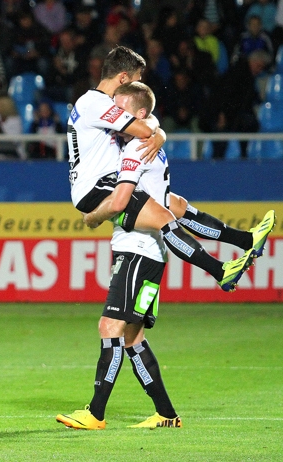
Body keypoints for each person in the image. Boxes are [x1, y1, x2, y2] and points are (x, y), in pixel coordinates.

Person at [57, 82, 277, 430]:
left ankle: (95, 414)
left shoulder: (132, 151)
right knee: (132, 337)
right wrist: (241, 237)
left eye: (122, 105)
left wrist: (91, 216)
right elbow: (178, 206)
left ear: (139, 114)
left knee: (110, 327)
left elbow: (119, 202)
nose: (116, 110)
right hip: (154, 256)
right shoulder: (152, 145)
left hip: (136, 250)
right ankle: (166, 413)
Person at [67, 45, 254, 293]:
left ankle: (243, 241)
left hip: (99, 184)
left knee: (172, 204)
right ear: (123, 78)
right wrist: (157, 133)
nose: (138, 85)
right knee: (165, 219)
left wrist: (160, 132)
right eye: (136, 79)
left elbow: (147, 118)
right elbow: (145, 128)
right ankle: (220, 271)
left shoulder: (98, 103)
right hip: (98, 186)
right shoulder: (96, 103)